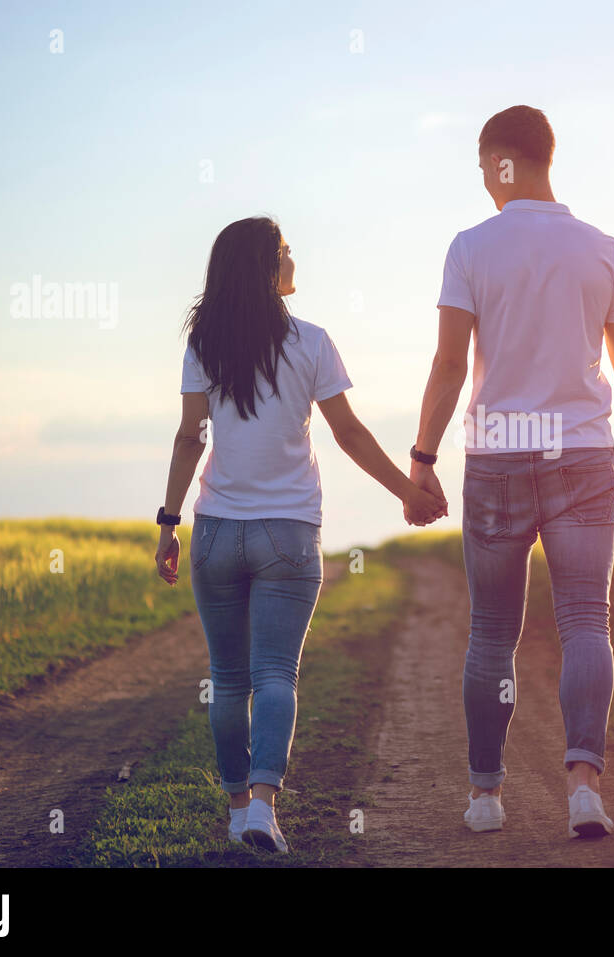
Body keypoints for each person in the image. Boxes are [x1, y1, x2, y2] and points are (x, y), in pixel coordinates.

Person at [154, 216, 446, 853]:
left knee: (228, 679)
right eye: (284, 251)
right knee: (277, 674)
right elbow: (349, 434)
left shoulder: (204, 343)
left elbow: (187, 440)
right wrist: (410, 491)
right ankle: (263, 806)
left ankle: (237, 813)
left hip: (215, 533)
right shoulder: (311, 341)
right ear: (264, 267)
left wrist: (169, 523)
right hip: (288, 533)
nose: (294, 258)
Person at [407, 105, 614, 838]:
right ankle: (584, 788)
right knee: (586, 621)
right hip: (582, 453)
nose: (485, 180)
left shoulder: (471, 247)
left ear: (501, 161)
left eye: (485, 167)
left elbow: (452, 363)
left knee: (491, 632)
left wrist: (421, 458)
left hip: (500, 454)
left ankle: (485, 796)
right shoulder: (602, 248)